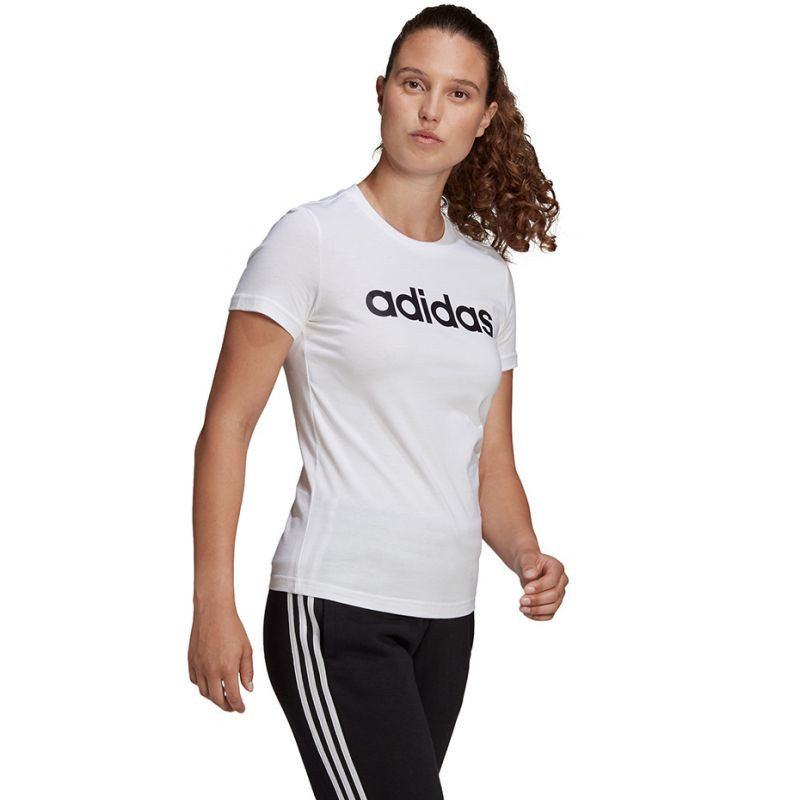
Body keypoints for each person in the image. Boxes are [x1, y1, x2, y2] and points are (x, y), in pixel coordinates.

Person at [188, 5, 568, 798]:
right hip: (336, 606)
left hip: (447, 619)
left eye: (458, 94)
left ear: (485, 118)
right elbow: (228, 426)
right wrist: (213, 602)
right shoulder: (311, 239)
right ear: (382, 93)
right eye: (413, 84)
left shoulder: (486, 278)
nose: (431, 110)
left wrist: (528, 555)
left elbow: (491, 462)